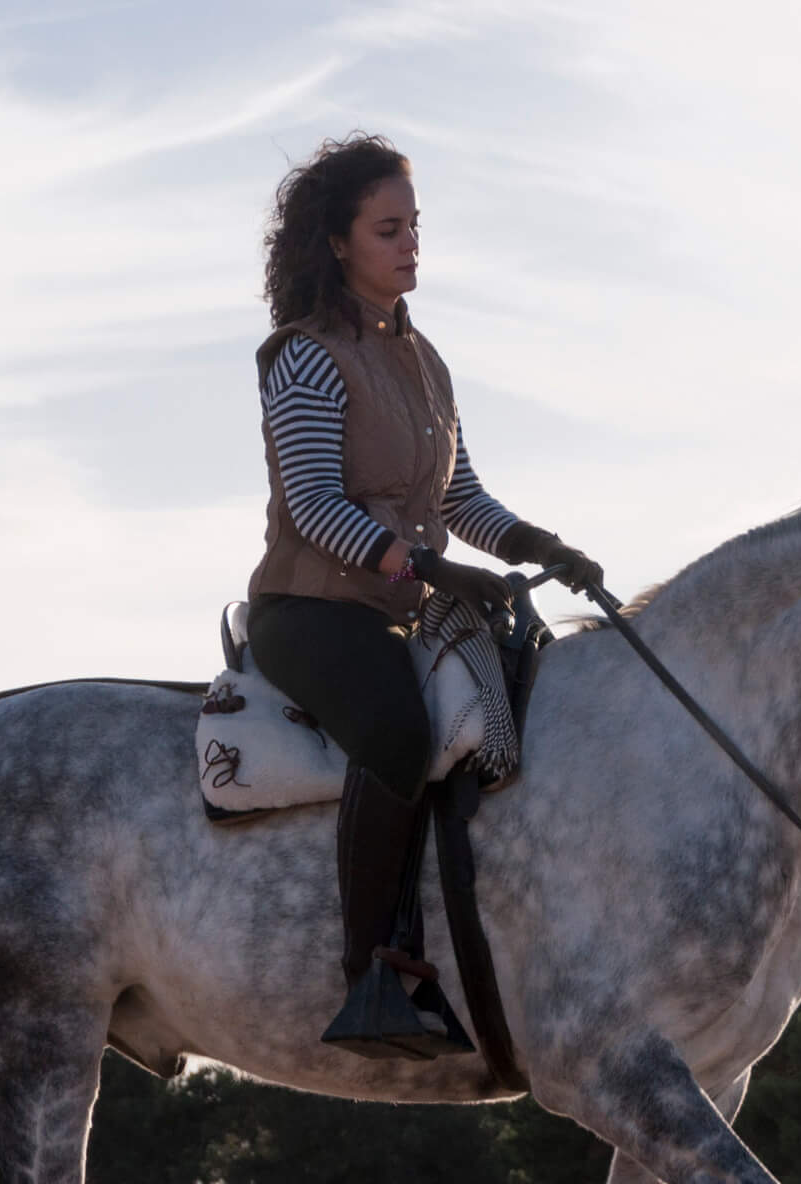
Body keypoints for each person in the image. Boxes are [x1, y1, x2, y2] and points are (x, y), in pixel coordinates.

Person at [248, 134, 601, 1059]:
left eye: (415, 229)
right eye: (388, 229)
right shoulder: (305, 358)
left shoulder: (425, 360)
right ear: (337, 243)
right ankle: (367, 974)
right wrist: (432, 570)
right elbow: (316, 508)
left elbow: (460, 498)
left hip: (402, 604)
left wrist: (539, 546)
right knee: (402, 733)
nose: (410, 247)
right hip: (313, 612)